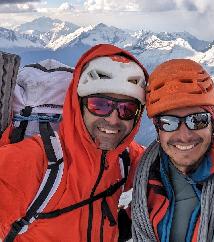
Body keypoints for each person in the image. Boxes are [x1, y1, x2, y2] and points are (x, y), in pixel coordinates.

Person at [0, 44, 148, 241]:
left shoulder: (124, 158)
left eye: (127, 109)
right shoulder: (30, 162)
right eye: (100, 105)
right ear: (78, 105)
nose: (113, 119)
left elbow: (167, 168)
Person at [132, 59, 214, 242]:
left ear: (213, 122)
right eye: (169, 123)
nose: (184, 136)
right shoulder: (149, 176)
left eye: (197, 120)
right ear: (157, 129)